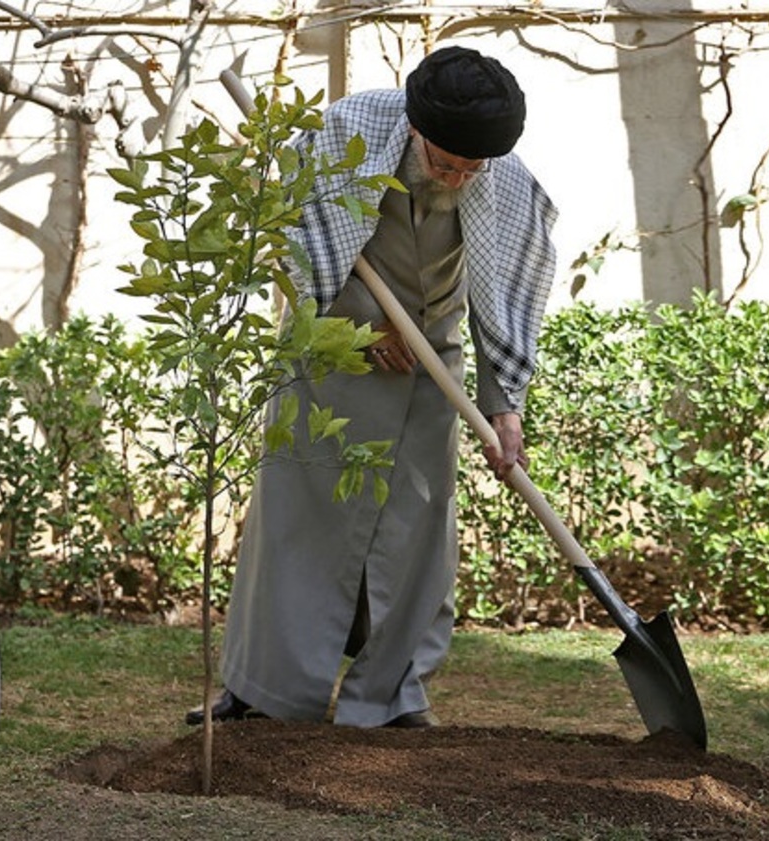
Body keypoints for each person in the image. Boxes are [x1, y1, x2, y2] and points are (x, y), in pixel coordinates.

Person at [187, 45, 558, 728]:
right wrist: (363, 330)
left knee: (418, 534)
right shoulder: (350, 133)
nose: (457, 176)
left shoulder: (499, 178)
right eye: (446, 162)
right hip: (332, 352)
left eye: (470, 168)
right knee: (298, 526)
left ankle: (390, 698)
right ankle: (264, 692)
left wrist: (505, 406)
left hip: (428, 370)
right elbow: (298, 239)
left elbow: (506, 293)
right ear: (417, 131)